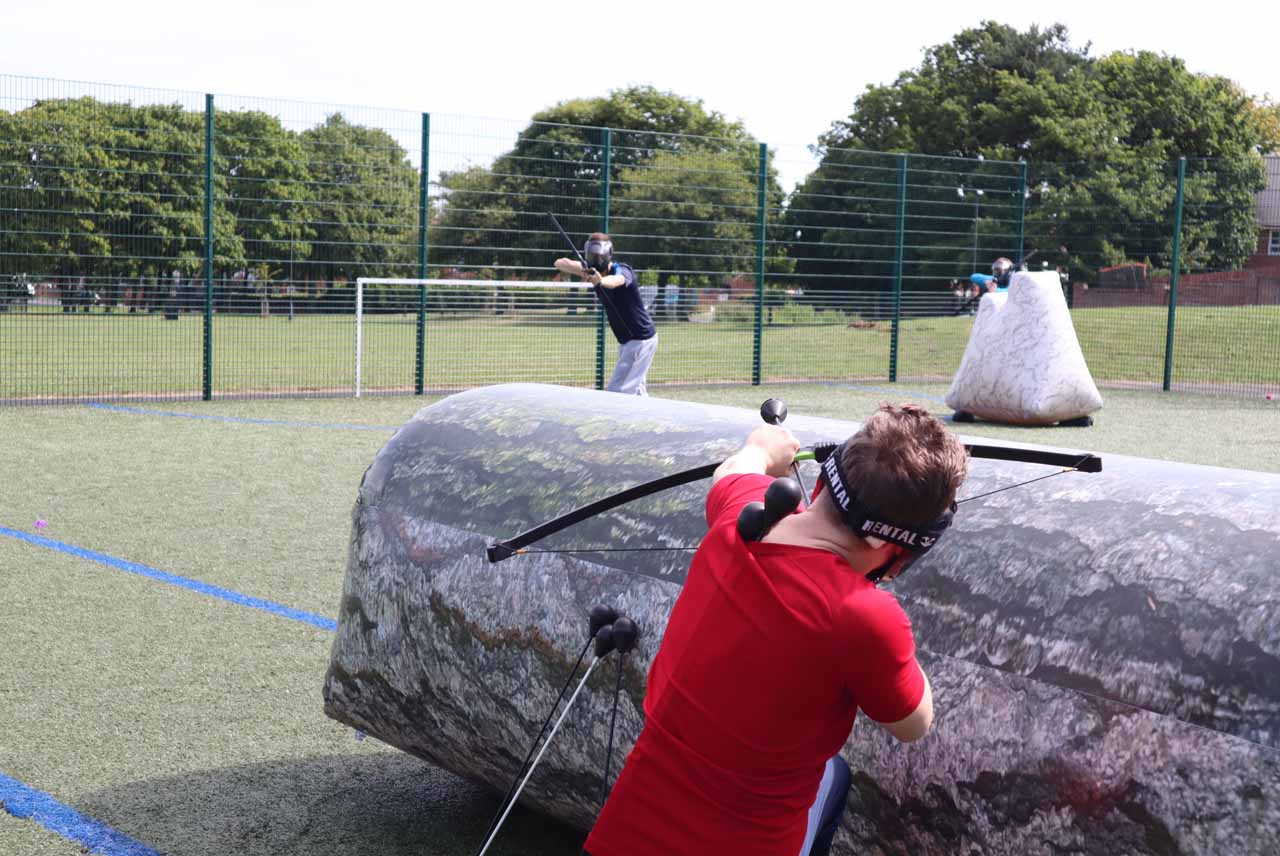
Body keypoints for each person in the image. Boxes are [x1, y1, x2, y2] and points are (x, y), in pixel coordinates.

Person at [584, 404, 969, 856]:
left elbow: (736, 468)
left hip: (621, 838)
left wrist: (762, 446)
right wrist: (884, 626)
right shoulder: (865, 617)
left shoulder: (737, 517)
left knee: (834, 774)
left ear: (824, 481)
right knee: (833, 777)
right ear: (890, 547)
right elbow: (913, 723)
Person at [554, 233, 657, 395]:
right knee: (636, 391)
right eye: (592, 256)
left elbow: (616, 281)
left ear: (608, 254)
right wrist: (585, 271)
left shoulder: (623, 271)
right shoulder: (591, 270)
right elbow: (560, 263)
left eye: (600, 256)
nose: (596, 260)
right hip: (629, 340)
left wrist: (600, 280)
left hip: (639, 340)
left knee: (618, 391)